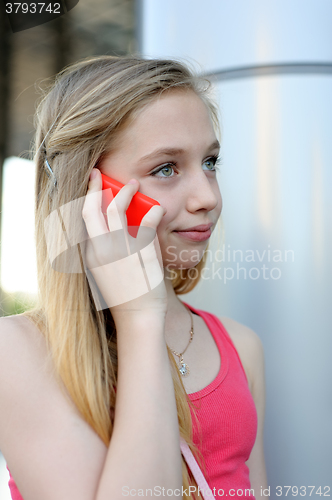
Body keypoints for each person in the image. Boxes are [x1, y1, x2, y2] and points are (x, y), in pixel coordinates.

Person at [0, 55, 268, 500]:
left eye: (211, 162)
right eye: (166, 169)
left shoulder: (241, 347)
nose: (208, 196)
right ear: (88, 193)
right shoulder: (19, 352)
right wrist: (140, 319)